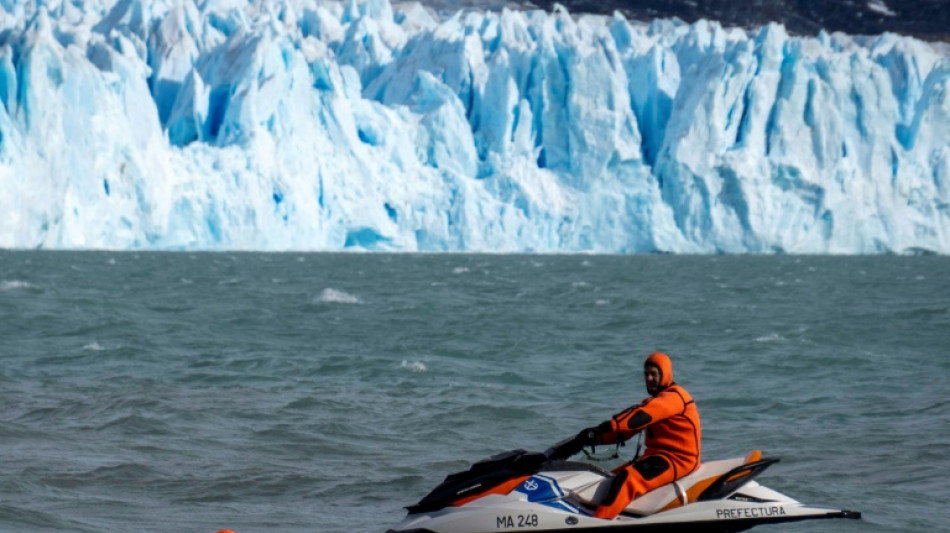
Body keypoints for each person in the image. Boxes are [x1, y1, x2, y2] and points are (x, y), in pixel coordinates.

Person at [578, 352, 701, 519]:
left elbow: (636, 418)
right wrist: (589, 439)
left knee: (627, 479)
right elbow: (626, 432)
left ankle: (598, 523)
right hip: (657, 456)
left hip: (679, 459)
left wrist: (605, 427)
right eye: (646, 374)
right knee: (606, 479)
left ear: (665, 375)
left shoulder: (674, 398)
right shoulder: (655, 401)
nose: (649, 378)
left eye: (654, 374)